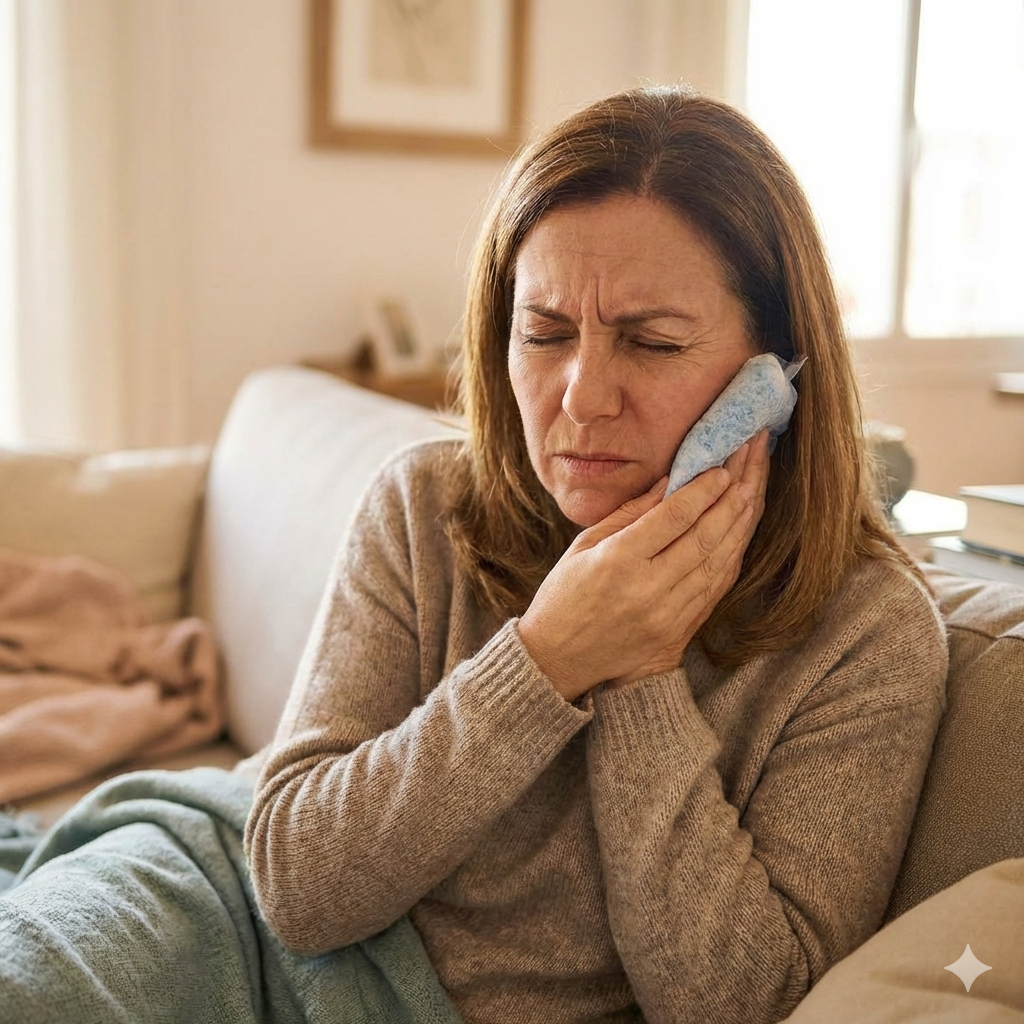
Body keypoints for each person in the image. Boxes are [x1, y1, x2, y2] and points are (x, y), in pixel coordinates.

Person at [244, 86, 948, 1024]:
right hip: (235, 939)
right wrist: (545, 659)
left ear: (771, 376)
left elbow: (743, 1003)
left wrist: (639, 663)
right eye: (544, 334)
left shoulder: (871, 637)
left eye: (651, 342)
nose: (580, 400)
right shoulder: (423, 506)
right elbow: (297, 885)